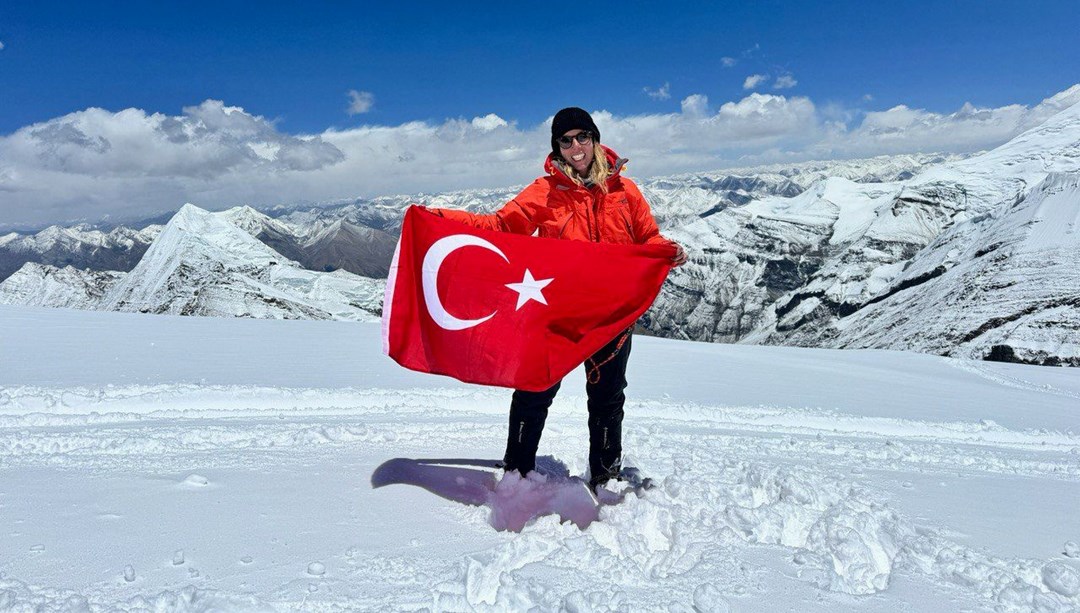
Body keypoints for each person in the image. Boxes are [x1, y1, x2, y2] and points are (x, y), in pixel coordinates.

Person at [428, 107, 686, 491]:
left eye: (583, 136)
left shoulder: (624, 191)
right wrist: (439, 219)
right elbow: (501, 226)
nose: (575, 146)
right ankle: (517, 472)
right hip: (557, 312)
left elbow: (647, 236)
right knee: (535, 388)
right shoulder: (544, 192)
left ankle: (606, 475)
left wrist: (666, 251)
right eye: (566, 140)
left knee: (607, 396)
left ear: (595, 139)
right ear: (557, 147)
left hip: (610, 314)